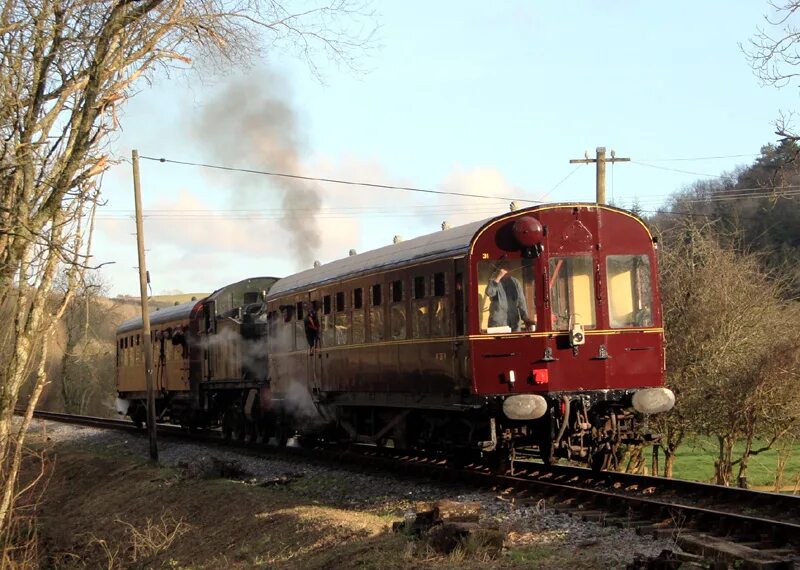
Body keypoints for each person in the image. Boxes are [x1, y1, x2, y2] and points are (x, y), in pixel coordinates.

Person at [485, 261, 534, 332]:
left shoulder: (515, 282)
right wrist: (498, 277)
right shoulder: (493, 281)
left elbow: (521, 302)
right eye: (504, 268)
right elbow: (489, 293)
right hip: (498, 323)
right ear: (499, 269)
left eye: (508, 268)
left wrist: (525, 318)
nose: (506, 271)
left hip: (514, 323)